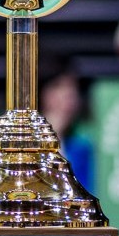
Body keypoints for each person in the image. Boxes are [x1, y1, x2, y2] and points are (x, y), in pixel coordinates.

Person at [38, 56, 93, 190]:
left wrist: (58, 137)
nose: (68, 94)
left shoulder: (86, 142)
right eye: (57, 86)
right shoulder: (12, 136)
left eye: (73, 86)